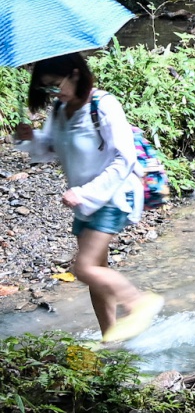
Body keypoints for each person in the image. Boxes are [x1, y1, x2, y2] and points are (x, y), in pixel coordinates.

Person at [13, 52, 163, 342]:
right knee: (97, 272)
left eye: (56, 84)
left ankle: (137, 301)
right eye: (47, 88)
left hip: (114, 195)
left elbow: (125, 159)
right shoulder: (60, 109)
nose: (54, 92)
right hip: (86, 202)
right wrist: (30, 139)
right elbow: (52, 148)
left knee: (84, 267)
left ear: (76, 74)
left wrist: (85, 192)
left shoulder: (104, 106)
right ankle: (111, 338)